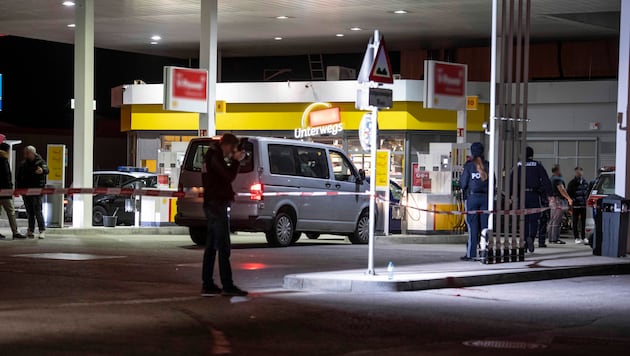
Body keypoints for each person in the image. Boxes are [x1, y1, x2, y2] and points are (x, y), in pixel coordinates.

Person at [201, 133, 248, 297]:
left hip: (212, 203)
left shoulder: (210, 155)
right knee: (223, 246)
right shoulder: (214, 156)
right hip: (217, 204)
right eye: (232, 149)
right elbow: (228, 176)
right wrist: (236, 161)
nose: (231, 153)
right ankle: (227, 285)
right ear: (227, 145)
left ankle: (208, 284)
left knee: (212, 246)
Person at [511, 147, 552, 253]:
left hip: (521, 196)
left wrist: (511, 194)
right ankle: (531, 238)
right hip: (534, 195)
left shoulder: (518, 165)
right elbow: (546, 180)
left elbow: (511, 180)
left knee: (523, 220)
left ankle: (524, 241)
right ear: (532, 155)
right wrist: (549, 194)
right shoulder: (537, 165)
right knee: (534, 220)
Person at [459, 142, 489, 261]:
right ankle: (485, 252)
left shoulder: (469, 166)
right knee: (485, 227)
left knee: (472, 228)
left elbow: (463, 183)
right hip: (486, 199)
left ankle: (471, 253)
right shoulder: (488, 165)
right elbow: (494, 182)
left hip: (472, 199)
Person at [16, 145, 49, 239]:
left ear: (33, 153)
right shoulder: (23, 164)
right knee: (29, 212)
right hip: (25, 191)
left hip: (37, 190)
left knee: (38, 211)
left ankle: (42, 230)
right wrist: (18, 189)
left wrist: (42, 170)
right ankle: (30, 230)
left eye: (27, 153)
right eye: (24, 153)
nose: (25, 154)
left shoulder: (40, 162)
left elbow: (47, 170)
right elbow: (18, 177)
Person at [0, 143, 26, 239]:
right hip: (5, 191)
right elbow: (6, 177)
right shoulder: (3, 160)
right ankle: (15, 232)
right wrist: (10, 189)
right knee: (11, 212)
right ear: (7, 150)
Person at [548, 165, 572, 245]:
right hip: (558, 201)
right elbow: (562, 190)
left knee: (552, 220)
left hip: (552, 200)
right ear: (557, 170)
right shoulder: (558, 179)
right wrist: (569, 198)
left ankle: (551, 238)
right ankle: (555, 239)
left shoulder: (551, 179)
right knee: (557, 221)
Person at [567, 166, 589, 244]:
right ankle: (576, 237)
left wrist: (586, 200)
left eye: (580, 171)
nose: (579, 173)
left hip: (583, 205)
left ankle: (583, 237)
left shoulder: (585, 182)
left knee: (583, 222)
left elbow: (587, 192)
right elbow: (568, 193)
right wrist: (572, 202)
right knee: (575, 222)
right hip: (576, 205)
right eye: (577, 172)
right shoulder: (572, 182)